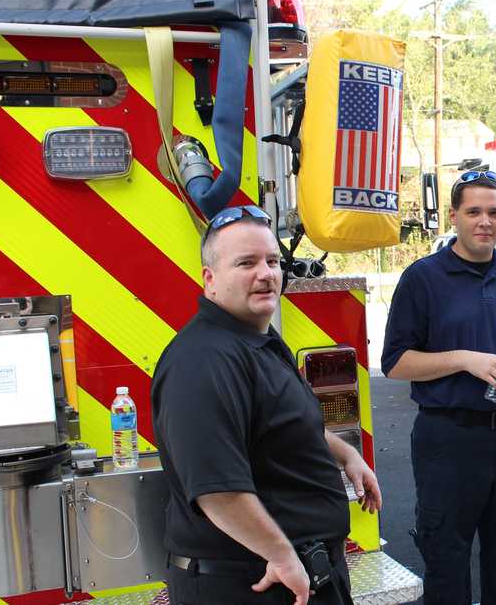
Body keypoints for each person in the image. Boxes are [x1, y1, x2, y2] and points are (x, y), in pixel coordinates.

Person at [152, 205, 382, 605]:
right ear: (210, 280)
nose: (266, 274)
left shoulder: (253, 339)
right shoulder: (204, 361)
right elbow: (218, 491)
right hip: (251, 583)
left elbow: (282, 423)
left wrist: (346, 454)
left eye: (273, 261)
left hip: (293, 573)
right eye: (247, 263)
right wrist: (281, 555)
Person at [382, 170, 496, 605]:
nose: (484, 222)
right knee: (446, 560)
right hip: (449, 439)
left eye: (494, 212)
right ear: (453, 216)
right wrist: (465, 360)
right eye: (473, 211)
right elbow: (396, 362)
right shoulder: (423, 278)